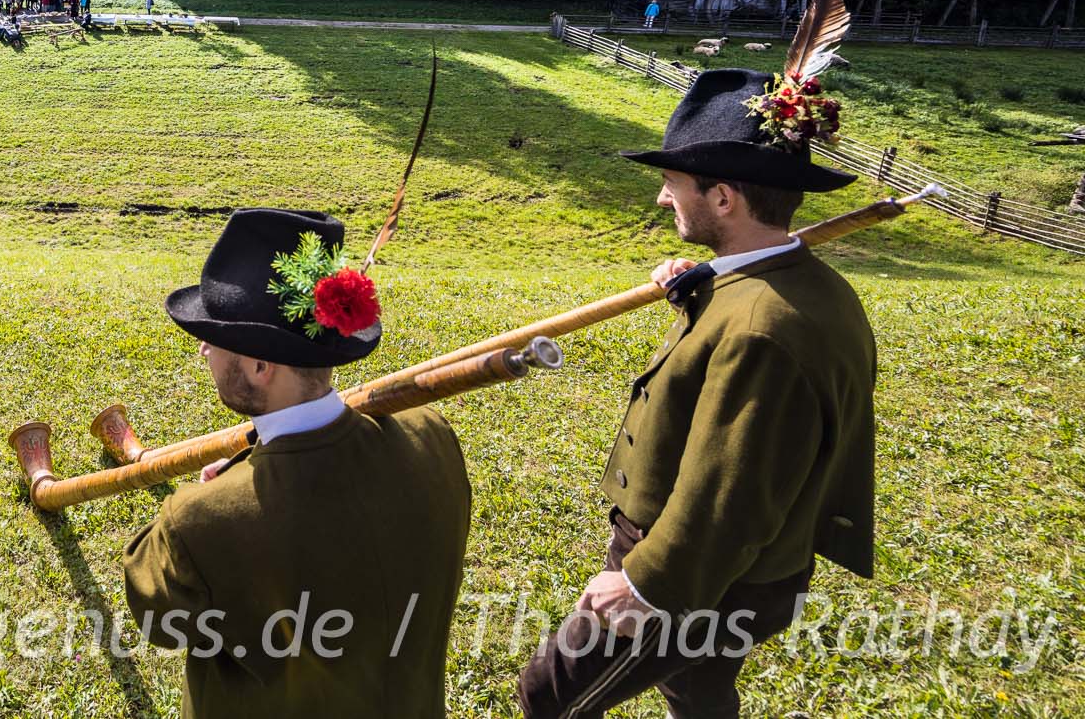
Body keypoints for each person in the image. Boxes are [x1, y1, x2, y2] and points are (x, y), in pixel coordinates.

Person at [516, 66, 874, 719]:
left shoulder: (766, 329)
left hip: (699, 574)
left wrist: (648, 586)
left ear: (725, 198)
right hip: (737, 570)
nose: (661, 200)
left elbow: (731, 499)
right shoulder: (784, 285)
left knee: (550, 694)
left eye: (671, 183)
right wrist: (702, 290)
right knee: (696, 689)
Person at [124, 208, 470, 718]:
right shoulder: (433, 436)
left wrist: (225, 492)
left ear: (261, 366)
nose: (203, 350)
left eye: (217, 340)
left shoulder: (199, 522)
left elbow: (154, 610)